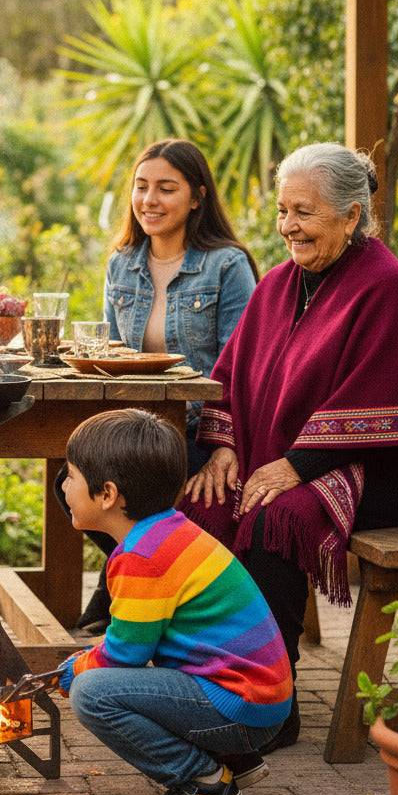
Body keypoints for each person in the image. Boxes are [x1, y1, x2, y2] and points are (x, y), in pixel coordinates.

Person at [183, 142, 398, 751]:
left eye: (305, 212)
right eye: (282, 210)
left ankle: (274, 705)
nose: (288, 226)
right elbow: (232, 375)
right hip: (286, 460)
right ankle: (212, 681)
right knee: (205, 505)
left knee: (275, 518)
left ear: (351, 216)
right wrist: (224, 448)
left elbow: (389, 403)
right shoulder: (276, 284)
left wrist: (297, 467)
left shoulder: (389, 287)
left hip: (384, 470)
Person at [57, 409, 293, 795]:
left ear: (107, 494)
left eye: (70, 476)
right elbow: (132, 645)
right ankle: (233, 761)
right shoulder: (168, 531)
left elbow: (125, 655)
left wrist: (78, 667)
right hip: (262, 700)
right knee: (109, 677)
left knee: (93, 694)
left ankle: (203, 783)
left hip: (243, 705)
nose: (64, 486)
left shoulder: (141, 556)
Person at [67, 139, 258, 633]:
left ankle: (127, 597)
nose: (149, 200)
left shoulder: (226, 266)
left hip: (199, 434)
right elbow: (111, 355)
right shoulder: (122, 263)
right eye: (141, 186)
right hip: (141, 430)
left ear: (197, 197)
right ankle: (122, 583)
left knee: (124, 487)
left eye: (166, 188)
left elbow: (245, 367)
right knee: (67, 486)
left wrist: (224, 445)